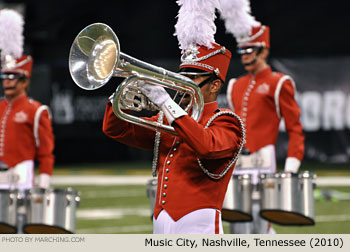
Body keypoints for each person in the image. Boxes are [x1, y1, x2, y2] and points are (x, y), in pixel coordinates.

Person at [225, 24, 305, 234]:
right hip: (238, 164)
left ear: (264, 51)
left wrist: (290, 170)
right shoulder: (235, 84)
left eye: (249, 49)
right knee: (237, 228)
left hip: (264, 162)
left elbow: (295, 129)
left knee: (261, 226)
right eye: (241, 50)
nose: (243, 55)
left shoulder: (279, 82)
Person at [0, 9, 55, 191]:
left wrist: (43, 183)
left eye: (12, 76)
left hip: (21, 181)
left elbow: (46, 153)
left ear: (25, 81)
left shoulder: (36, 110)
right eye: (5, 76)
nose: (7, 81)